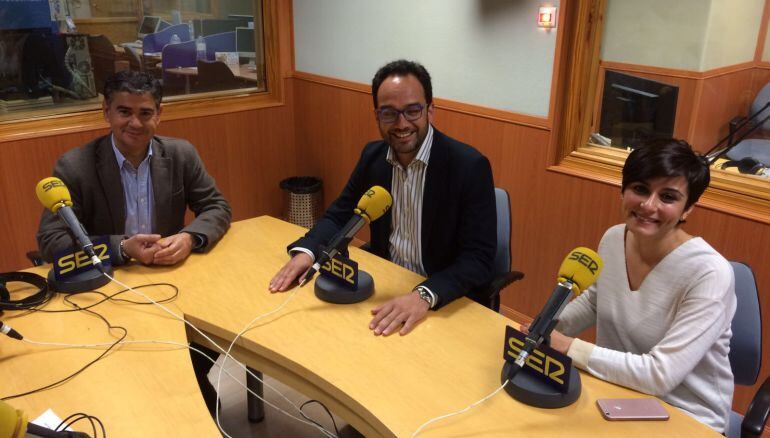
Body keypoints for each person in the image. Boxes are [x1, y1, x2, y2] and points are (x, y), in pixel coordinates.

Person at [36, 70, 231, 415]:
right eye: (124, 112)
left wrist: (189, 237)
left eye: (145, 113)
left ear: (159, 114)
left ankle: (184, 398)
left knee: (207, 350)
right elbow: (53, 241)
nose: (135, 123)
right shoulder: (75, 166)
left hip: (173, 281)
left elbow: (216, 206)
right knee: (138, 382)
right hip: (109, 289)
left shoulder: (181, 154)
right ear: (106, 112)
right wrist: (122, 248)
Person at [269, 59, 496, 336]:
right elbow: (341, 213)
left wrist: (423, 295)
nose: (402, 124)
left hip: (441, 297)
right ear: (377, 116)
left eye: (412, 111)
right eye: (389, 113)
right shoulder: (373, 157)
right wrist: (308, 251)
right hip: (385, 285)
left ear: (430, 111)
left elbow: (478, 258)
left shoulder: (468, 166)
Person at [530, 139, 735, 433]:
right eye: (640, 189)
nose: (649, 205)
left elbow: (659, 375)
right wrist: (548, 327)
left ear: (687, 209)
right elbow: (595, 302)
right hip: (616, 394)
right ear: (623, 191)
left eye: (667, 197)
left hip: (686, 417)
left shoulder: (710, 273)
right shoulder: (614, 238)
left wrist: (569, 346)